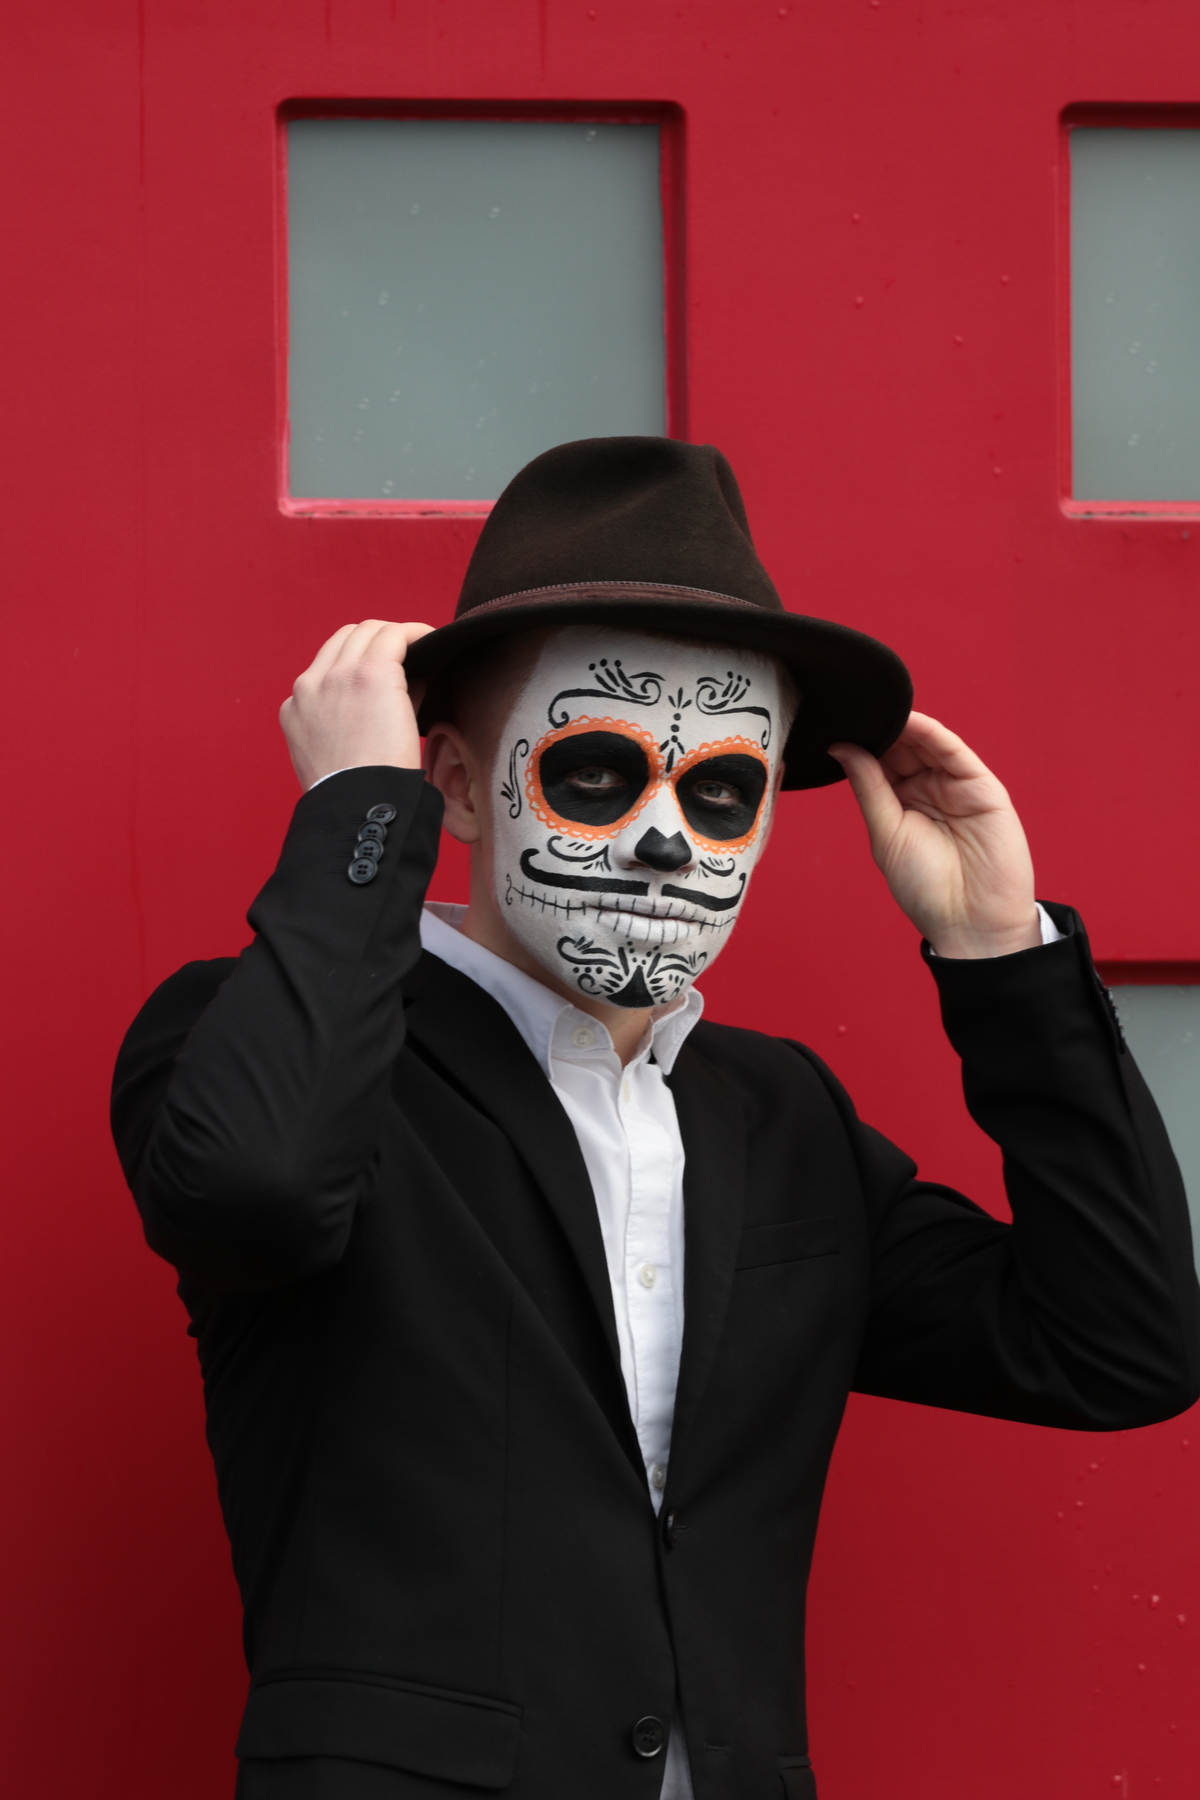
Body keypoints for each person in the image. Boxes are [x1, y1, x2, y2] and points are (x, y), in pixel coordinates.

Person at [112, 438, 1199, 1800]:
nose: (667, 838)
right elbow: (251, 1191)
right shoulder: (266, 1043)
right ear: (460, 784)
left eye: (723, 791)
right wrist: (357, 816)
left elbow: (1121, 1347)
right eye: (595, 772)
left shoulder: (781, 1119)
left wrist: (1001, 954)